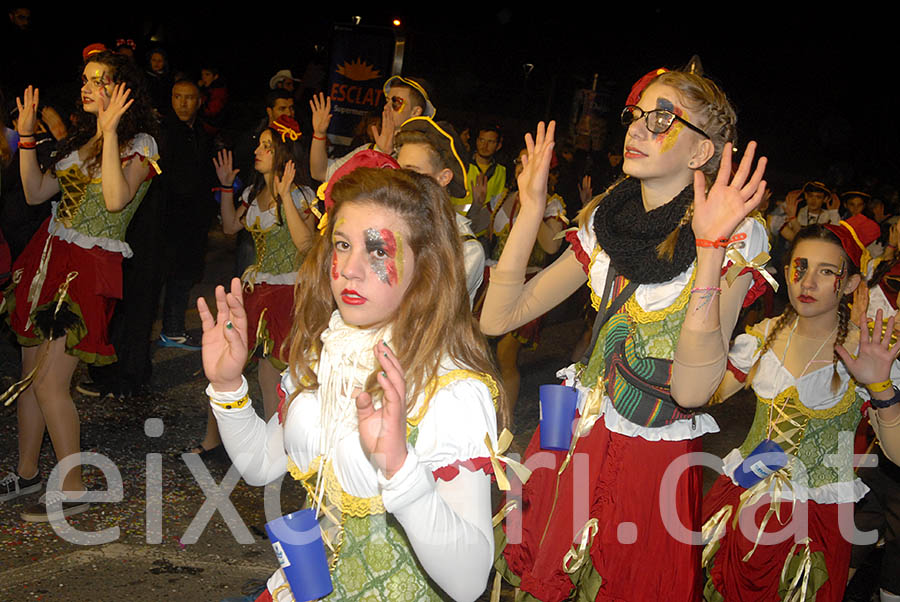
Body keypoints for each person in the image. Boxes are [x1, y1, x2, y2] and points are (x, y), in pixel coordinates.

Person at [481, 69, 770, 601]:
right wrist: (529, 206)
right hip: (569, 440)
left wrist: (708, 251)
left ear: (700, 150)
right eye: (636, 115)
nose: (636, 128)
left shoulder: (737, 236)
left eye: (661, 119)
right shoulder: (606, 219)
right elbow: (498, 318)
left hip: (649, 464)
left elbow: (690, 392)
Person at [199, 165, 501, 600]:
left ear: (426, 266)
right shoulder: (327, 353)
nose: (350, 270)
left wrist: (401, 471)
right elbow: (260, 465)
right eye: (343, 245)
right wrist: (229, 388)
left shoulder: (451, 389)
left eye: (379, 252)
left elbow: (470, 582)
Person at [701, 216, 900, 601]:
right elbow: (701, 398)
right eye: (800, 267)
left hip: (816, 526)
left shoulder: (864, 354)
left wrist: (881, 387)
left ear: (851, 284)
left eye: (826, 272)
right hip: (743, 501)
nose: (807, 283)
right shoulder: (759, 339)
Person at [0, 51, 159, 521]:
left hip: (86, 269)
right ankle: (28, 472)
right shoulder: (79, 142)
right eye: (85, 79)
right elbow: (34, 193)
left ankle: (73, 486)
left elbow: (114, 201)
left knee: (51, 384)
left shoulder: (142, 144)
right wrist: (27, 137)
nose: (85, 87)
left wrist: (110, 134)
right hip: (47, 258)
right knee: (30, 376)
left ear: (122, 89)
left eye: (98, 80)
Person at [190, 115, 316, 458]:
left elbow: (306, 245)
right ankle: (217, 440)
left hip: (287, 292)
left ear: (284, 155)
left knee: (274, 373)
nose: (257, 151)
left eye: (266, 147)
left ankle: (279, 446)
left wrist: (286, 194)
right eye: (258, 145)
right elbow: (231, 226)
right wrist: (225, 187)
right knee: (227, 362)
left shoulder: (302, 195)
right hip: (255, 290)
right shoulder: (252, 192)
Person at [488, 146, 566, 428]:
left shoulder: (553, 203)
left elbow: (551, 246)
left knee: (506, 355)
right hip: (492, 280)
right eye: (521, 164)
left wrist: (535, 205)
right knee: (482, 353)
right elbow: (485, 233)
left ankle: (503, 427)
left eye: (533, 166)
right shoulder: (501, 199)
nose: (525, 170)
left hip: (528, 284)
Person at [394, 116, 484, 304]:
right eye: (398, 170)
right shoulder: (390, 222)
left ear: (443, 178)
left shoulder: (464, 249)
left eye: (412, 172)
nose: (400, 180)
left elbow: (428, 316)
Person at [308, 75, 435, 183]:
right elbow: (321, 173)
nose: (386, 107)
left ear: (415, 111)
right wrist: (319, 134)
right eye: (387, 101)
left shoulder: (424, 157)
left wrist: (385, 157)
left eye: (396, 102)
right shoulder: (370, 151)